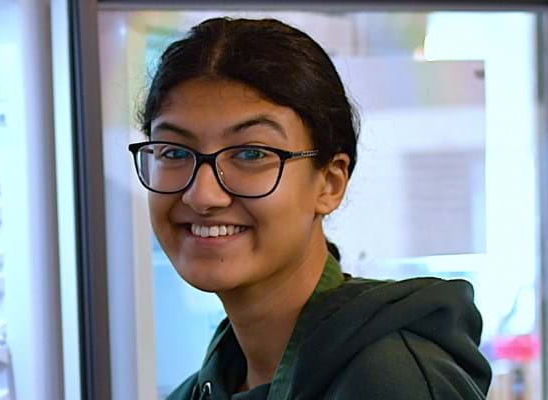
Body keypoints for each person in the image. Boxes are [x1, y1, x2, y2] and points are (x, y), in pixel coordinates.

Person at [131, 18, 492, 399]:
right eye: (173, 152)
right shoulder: (207, 384)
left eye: (252, 153)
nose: (202, 195)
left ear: (330, 183)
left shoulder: (394, 382)